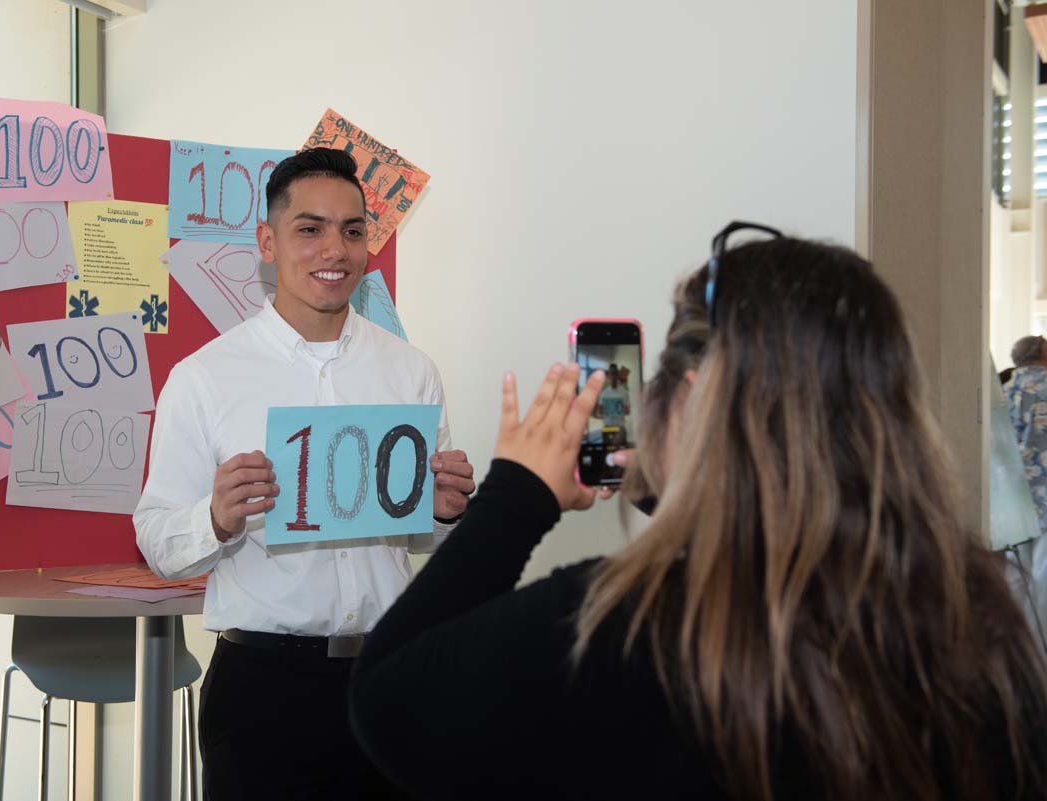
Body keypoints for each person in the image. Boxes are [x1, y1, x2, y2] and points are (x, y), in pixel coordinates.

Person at [349, 234, 1047, 801]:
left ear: (688, 396)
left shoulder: (620, 626)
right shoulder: (979, 620)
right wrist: (673, 488)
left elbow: (388, 704)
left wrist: (518, 493)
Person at [134, 148, 475, 800]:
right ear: (269, 241)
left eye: (353, 230)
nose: (335, 249)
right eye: (310, 228)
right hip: (264, 689)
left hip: (388, 674)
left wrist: (448, 511)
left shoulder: (410, 372)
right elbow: (156, 538)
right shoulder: (205, 377)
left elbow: (424, 540)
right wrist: (215, 516)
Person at [1006, 334, 1047, 537]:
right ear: (1043, 352)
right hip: (1044, 485)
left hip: (1010, 488)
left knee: (1018, 558)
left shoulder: (1002, 389)